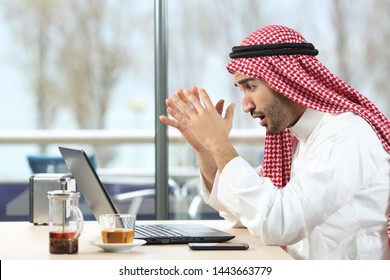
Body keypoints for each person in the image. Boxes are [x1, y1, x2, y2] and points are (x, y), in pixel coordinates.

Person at [159, 25, 390, 260]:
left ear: (287, 81)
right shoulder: (296, 139)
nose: (245, 105)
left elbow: (279, 224)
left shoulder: (346, 135)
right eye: (241, 89)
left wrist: (219, 144)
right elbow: (243, 214)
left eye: (251, 87)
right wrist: (206, 149)